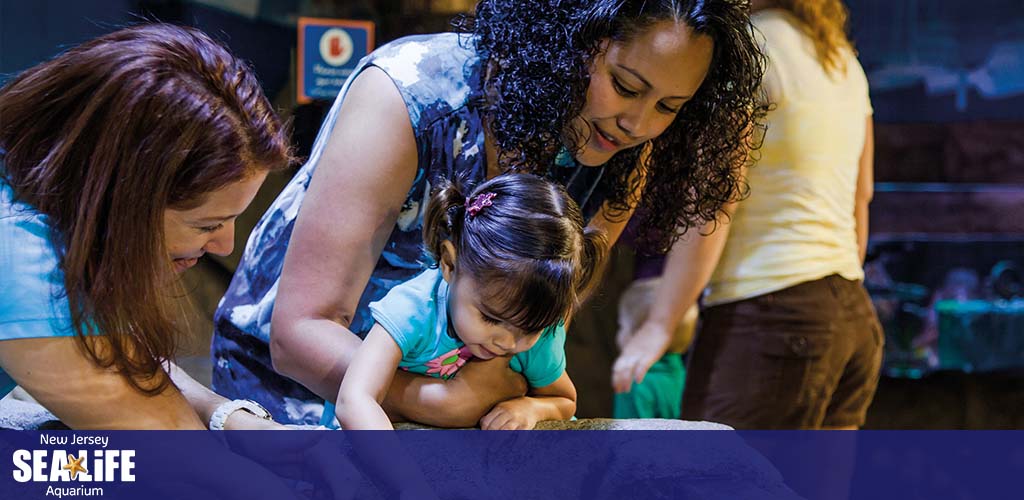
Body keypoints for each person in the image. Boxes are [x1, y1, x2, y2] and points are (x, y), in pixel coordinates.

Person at [213, 0, 768, 426]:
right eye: (625, 86)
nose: (639, 125)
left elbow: (538, 336)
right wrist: (444, 401)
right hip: (290, 399)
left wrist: (513, 399)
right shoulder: (409, 95)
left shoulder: (622, 156)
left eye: (670, 107)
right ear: (568, 34)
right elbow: (298, 332)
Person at [0, 24, 295, 431]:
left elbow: (119, 355)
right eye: (207, 224)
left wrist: (229, 418)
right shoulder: (17, 253)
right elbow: (179, 453)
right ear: (119, 199)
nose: (226, 245)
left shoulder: (34, 187)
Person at [612, 0, 882, 429]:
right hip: (852, 317)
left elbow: (715, 200)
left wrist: (660, 325)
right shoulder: (843, 60)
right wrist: (834, 291)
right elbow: (861, 196)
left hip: (770, 319)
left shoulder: (746, 50)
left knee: (712, 481)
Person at [336, 174, 605, 430]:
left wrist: (530, 408)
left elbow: (565, 401)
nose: (508, 343)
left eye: (528, 330)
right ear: (449, 264)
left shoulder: (540, 325)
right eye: (491, 318)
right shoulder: (412, 311)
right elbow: (355, 399)